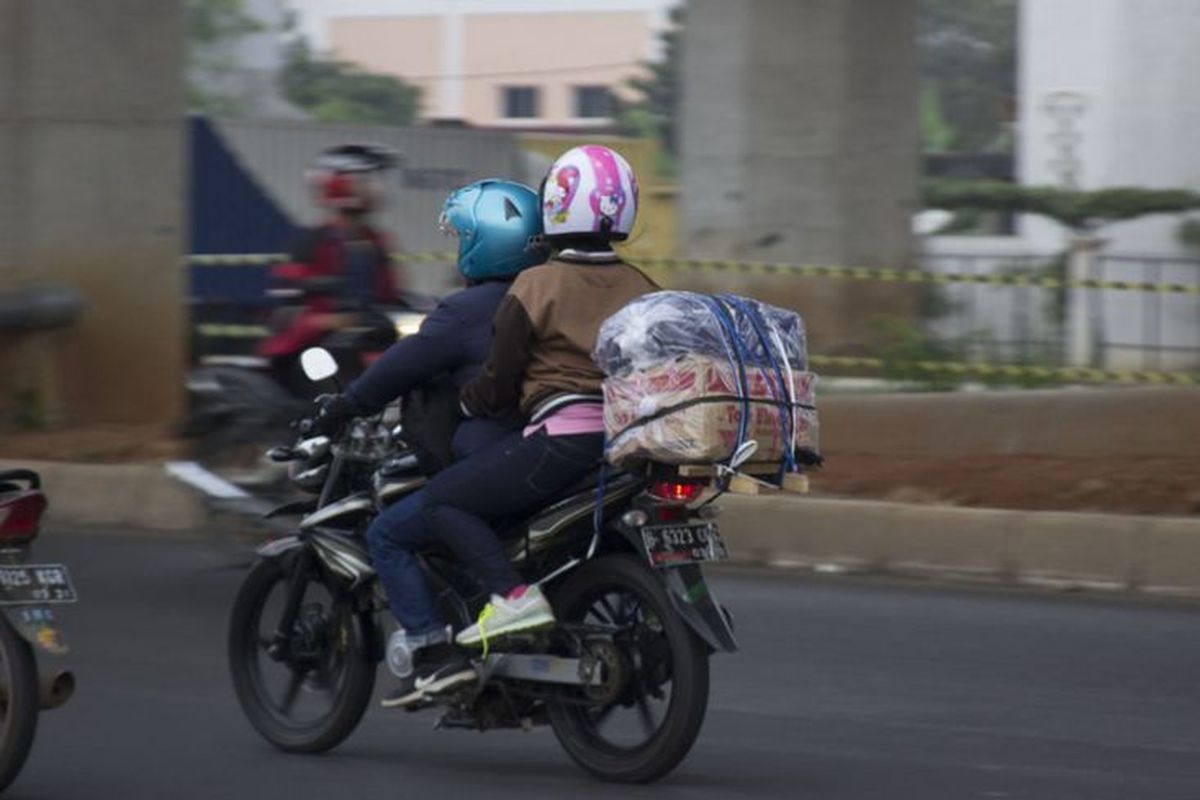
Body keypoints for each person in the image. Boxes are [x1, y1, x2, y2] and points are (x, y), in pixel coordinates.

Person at [373, 145, 656, 708]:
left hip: (563, 440)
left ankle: (512, 596)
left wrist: (472, 405)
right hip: (626, 441)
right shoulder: (643, 286)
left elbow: (499, 385)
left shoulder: (535, 286)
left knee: (440, 504)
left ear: (556, 204)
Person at [312, 179, 547, 469]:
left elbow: (403, 363)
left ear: (491, 241)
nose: (461, 247)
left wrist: (345, 405)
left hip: (497, 451)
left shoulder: (468, 308)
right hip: (551, 441)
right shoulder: (550, 294)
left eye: (464, 237)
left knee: (407, 514)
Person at [258, 143, 400, 390]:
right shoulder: (312, 241)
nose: (377, 188)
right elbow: (289, 299)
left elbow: (391, 292)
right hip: (315, 347)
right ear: (341, 184)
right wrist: (334, 318)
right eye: (367, 180)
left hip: (369, 335)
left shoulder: (375, 240)